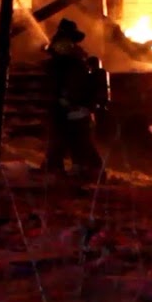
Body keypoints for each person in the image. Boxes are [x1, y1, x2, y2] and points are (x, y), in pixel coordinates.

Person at [42, 19, 104, 182]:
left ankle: (89, 172)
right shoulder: (65, 62)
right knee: (62, 141)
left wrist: (79, 106)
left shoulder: (76, 62)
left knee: (78, 141)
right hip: (64, 108)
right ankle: (59, 171)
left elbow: (80, 84)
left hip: (74, 108)